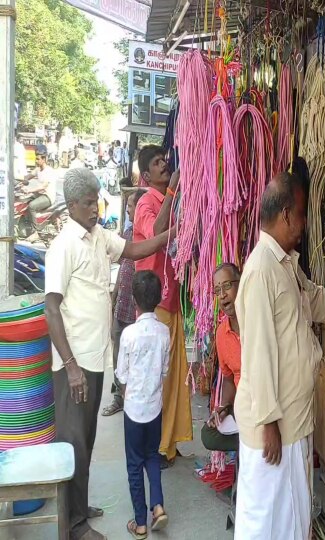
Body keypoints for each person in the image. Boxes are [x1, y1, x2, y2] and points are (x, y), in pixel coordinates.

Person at [233, 171, 325, 540]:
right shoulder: (261, 270)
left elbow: (311, 298)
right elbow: (258, 352)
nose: (304, 224)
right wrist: (267, 421)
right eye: (300, 214)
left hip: (292, 418)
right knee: (265, 518)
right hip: (275, 424)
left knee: (292, 515)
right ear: (284, 214)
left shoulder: (283, 263)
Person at [44, 168, 174, 540]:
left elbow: (132, 250)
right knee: (73, 441)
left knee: (85, 437)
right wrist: (70, 367)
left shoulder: (98, 236)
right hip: (75, 363)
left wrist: (169, 236)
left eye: (96, 200)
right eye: (87, 203)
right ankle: (73, 526)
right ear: (71, 206)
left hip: (95, 357)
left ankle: (79, 508)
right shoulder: (63, 246)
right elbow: (51, 310)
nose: (95, 208)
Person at [134, 145, 191, 465]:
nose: (164, 164)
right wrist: (171, 191)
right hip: (157, 302)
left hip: (172, 299)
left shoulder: (168, 198)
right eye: (157, 163)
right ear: (146, 176)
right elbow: (156, 231)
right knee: (160, 376)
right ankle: (157, 446)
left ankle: (167, 442)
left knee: (174, 376)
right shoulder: (146, 201)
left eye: (164, 160)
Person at [116, 270, 170, 539]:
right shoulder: (164, 332)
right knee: (152, 457)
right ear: (159, 299)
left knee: (134, 464)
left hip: (134, 411)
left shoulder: (128, 334)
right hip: (154, 408)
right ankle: (158, 506)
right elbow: (164, 372)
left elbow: (121, 375)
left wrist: (127, 394)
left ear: (134, 300)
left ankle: (139, 522)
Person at [103, 189, 147, 417]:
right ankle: (119, 397)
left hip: (138, 307)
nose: (128, 210)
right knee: (118, 350)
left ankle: (133, 399)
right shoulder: (128, 233)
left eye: (131, 206)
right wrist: (114, 295)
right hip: (122, 302)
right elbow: (123, 266)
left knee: (135, 354)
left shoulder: (146, 234)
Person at [201, 263, 241, 452]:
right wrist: (223, 407)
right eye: (217, 290)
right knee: (208, 434)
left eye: (227, 286)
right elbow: (227, 378)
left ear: (240, 284)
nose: (222, 294)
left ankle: (253, 441)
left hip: (265, 404)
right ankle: (249, 442)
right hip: (242, 408)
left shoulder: (258, 323)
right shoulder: (221, 333)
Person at [23, 144, 56, 220]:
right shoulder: (38, 169)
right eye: (36, 158)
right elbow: (28, 176)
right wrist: (23, 181)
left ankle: (34, 230)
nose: (36, 161)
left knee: (31, 206)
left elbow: (43, 186)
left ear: (43, 159)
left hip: (48, 197)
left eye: (38, 159)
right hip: (40, 194)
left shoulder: (49, 171)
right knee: (24, 200)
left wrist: (29, 190)